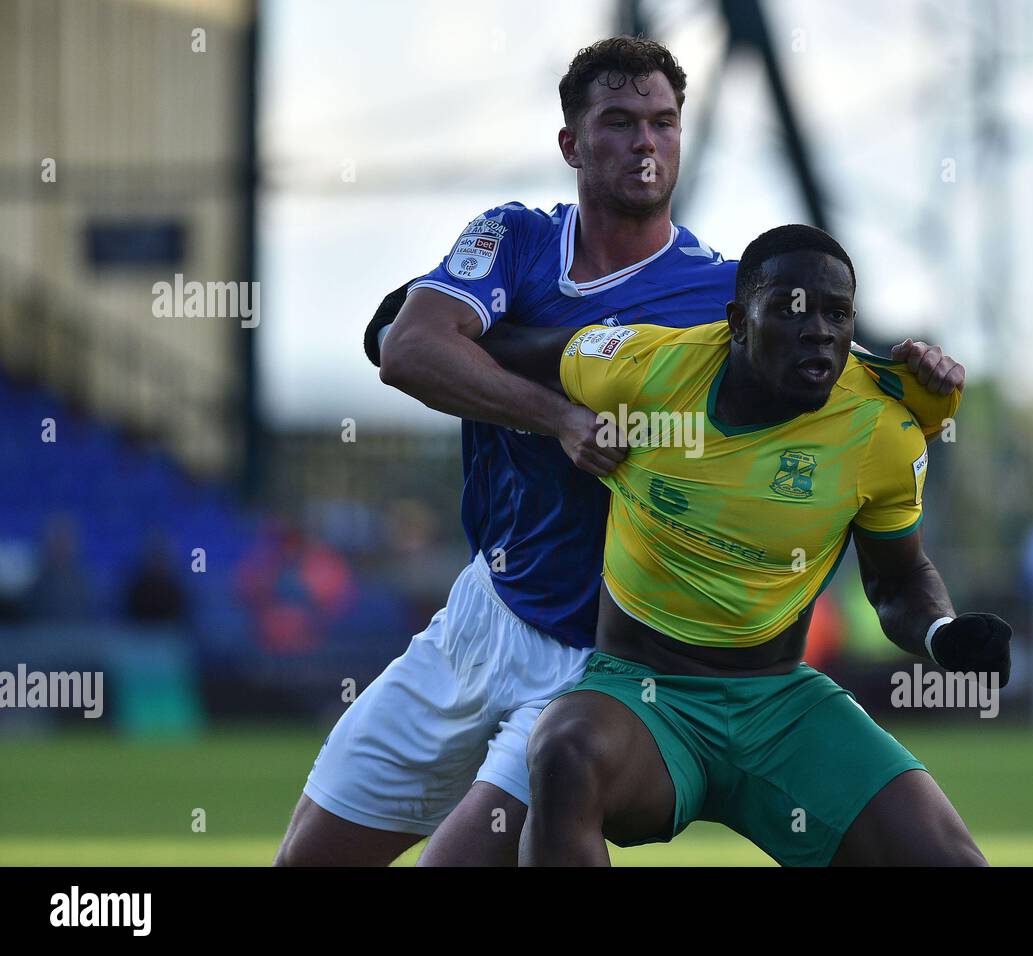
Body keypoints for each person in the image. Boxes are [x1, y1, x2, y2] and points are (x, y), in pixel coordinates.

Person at [276, 36, 963, 867]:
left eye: (665, 122)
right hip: (486, 609)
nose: (645, 141)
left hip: (600, 654)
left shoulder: (724, 297)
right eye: (619, 122)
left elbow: (840, 392)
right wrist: (557, 417)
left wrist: (924, 384)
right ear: (571, 143)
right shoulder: (516, 237)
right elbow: (408, 347)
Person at [476, 224, 1010, 865]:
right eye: (792, 308)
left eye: (838, 314)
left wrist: (942, 635)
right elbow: (507, 347)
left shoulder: (882, 429)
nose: (819, 330)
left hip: (780, 703)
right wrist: (426, 313)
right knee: (564, 752)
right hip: (646, 695)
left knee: (951, 861)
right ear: (737, 320)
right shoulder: (643, 368)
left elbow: (896, 582)